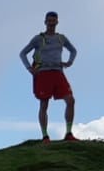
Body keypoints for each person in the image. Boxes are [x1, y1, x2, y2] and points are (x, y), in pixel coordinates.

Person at [18, 11, 78, 142]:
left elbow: (73, 50)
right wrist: (29, 68)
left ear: (57, 22)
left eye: (53, 21)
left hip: (58, 72)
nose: (51, 23)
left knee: (70, 100)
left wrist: (70, 62)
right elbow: (23, 53)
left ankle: (69, 133)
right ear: (45, 22)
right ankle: (45, 136)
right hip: (43, 72)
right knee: (44, 104)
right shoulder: (38, 39)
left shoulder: (61, 38)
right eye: (49, 21)